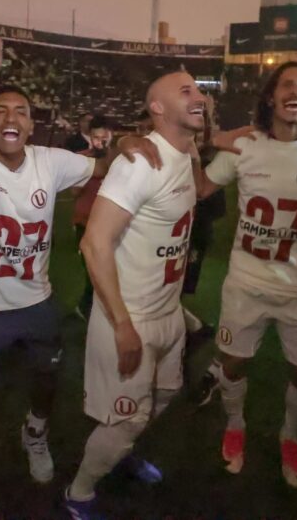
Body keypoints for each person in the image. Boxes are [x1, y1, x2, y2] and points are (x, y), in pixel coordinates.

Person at [0, 36, 155, 503]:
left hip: (36, 302)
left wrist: (128, 142)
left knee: (47, 378)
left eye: (22, 111)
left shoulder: (50, 163)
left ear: (33, 126)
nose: (12, 118)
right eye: (1, 111)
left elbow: (102, 167)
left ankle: (35, 433)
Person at [191, 64, 297, 485]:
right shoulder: (247, 146)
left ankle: (290, 433)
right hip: (246, 284)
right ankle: (235, 425)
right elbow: (198, 189)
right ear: (270, 97)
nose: (296, 90)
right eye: (287, 83)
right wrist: (209, 142)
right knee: (233, 364)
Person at [63, 71, 205, 518]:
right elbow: (94, 242)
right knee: (126, 419)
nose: (200, 97)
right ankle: (79, 493)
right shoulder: (140, 161)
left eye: (199, 90)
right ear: (158, 108)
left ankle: (120, 455)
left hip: (168, 313)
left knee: (162, 398)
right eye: (187, 92)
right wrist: (122, 323)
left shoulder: (186, 153)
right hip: (131, 317)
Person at [70, 114, 114, 320]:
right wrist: (91, 170)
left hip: (110, 223)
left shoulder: (119, 160)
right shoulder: (81, 158)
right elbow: (74, 192)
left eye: (105, 138)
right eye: (97, 138)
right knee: (92, 270)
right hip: (85, 222)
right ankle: (87, 306)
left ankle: (95, 307)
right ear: (91, 137)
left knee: (109, 270)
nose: (101, 142)